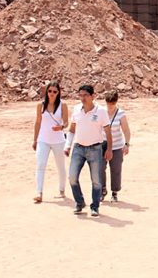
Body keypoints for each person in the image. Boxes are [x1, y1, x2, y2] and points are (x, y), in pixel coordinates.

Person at [64, 84, 113, 217]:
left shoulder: (101, 111)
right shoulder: (76, 109)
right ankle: (79, 202)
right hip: (78, 148)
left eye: (86, 95)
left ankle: (95, 206)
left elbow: (108, 131)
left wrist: (109, 149)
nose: (83, 98)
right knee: (72, 177)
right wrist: (68, 145)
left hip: (95, 148)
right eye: (81, 95)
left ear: (93, 96)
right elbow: (72, 129)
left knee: (96, 180)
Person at [32, 80, 68, 204]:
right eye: (50, 91)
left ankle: (62, 190)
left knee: (60, 166)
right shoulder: (40, 105)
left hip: (58, 140)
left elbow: (66, 122)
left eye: (55, 91)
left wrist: (61, 127)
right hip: (43, 139)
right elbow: (38, 122)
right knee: (40, 164)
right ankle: (39, 192)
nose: (52, 93)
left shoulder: (63, 105)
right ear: (46, 91)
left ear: (58, 93)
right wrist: (35, 139)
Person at [101, 91, 131, 203]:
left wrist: (127, 144)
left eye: (112, 104)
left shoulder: (121, 114)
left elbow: (126, 130)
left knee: (116, 169)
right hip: (102, 144)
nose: (110, 106)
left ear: (116, 102)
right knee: (100, 168)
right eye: (108, 104)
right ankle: (102, 190)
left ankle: (114, 192)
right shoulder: (101, 112)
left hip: (117, 145)